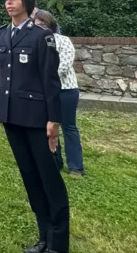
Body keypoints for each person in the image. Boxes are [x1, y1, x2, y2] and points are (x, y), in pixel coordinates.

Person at [0, 0, 69, 253]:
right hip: (12, 117)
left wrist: (54, 120)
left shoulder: (41, 36)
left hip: (37, 119)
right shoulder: (0, 35)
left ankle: (58, 244)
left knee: (49, 179)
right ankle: (44, 236)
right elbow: (0, 78)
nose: (9, 3)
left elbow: (51, 81)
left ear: (27, 2)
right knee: (31, 179)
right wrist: (1, 109)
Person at [34, 10, 84, 177]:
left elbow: (64, 65)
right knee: (48, 128)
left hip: (66, 90)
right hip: (44, 92)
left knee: (69, 127)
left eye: (43, 25)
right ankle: (55, 162)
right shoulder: (34, 42)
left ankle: (76, 167)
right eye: (37, 25)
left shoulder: (63, 40)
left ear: (51, 25)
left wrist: (44, 78)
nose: (41, 28)